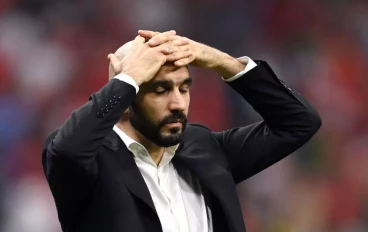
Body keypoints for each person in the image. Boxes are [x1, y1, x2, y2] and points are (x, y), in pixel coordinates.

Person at [42, 30, 321, 232]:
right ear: (128, 99)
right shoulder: (91, 163)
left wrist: (223, 63)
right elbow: (67, 149)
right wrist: (128, 79)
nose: (177, 103)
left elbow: (298, 121)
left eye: (184, 88)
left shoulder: (204, 148)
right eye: (160, 90)